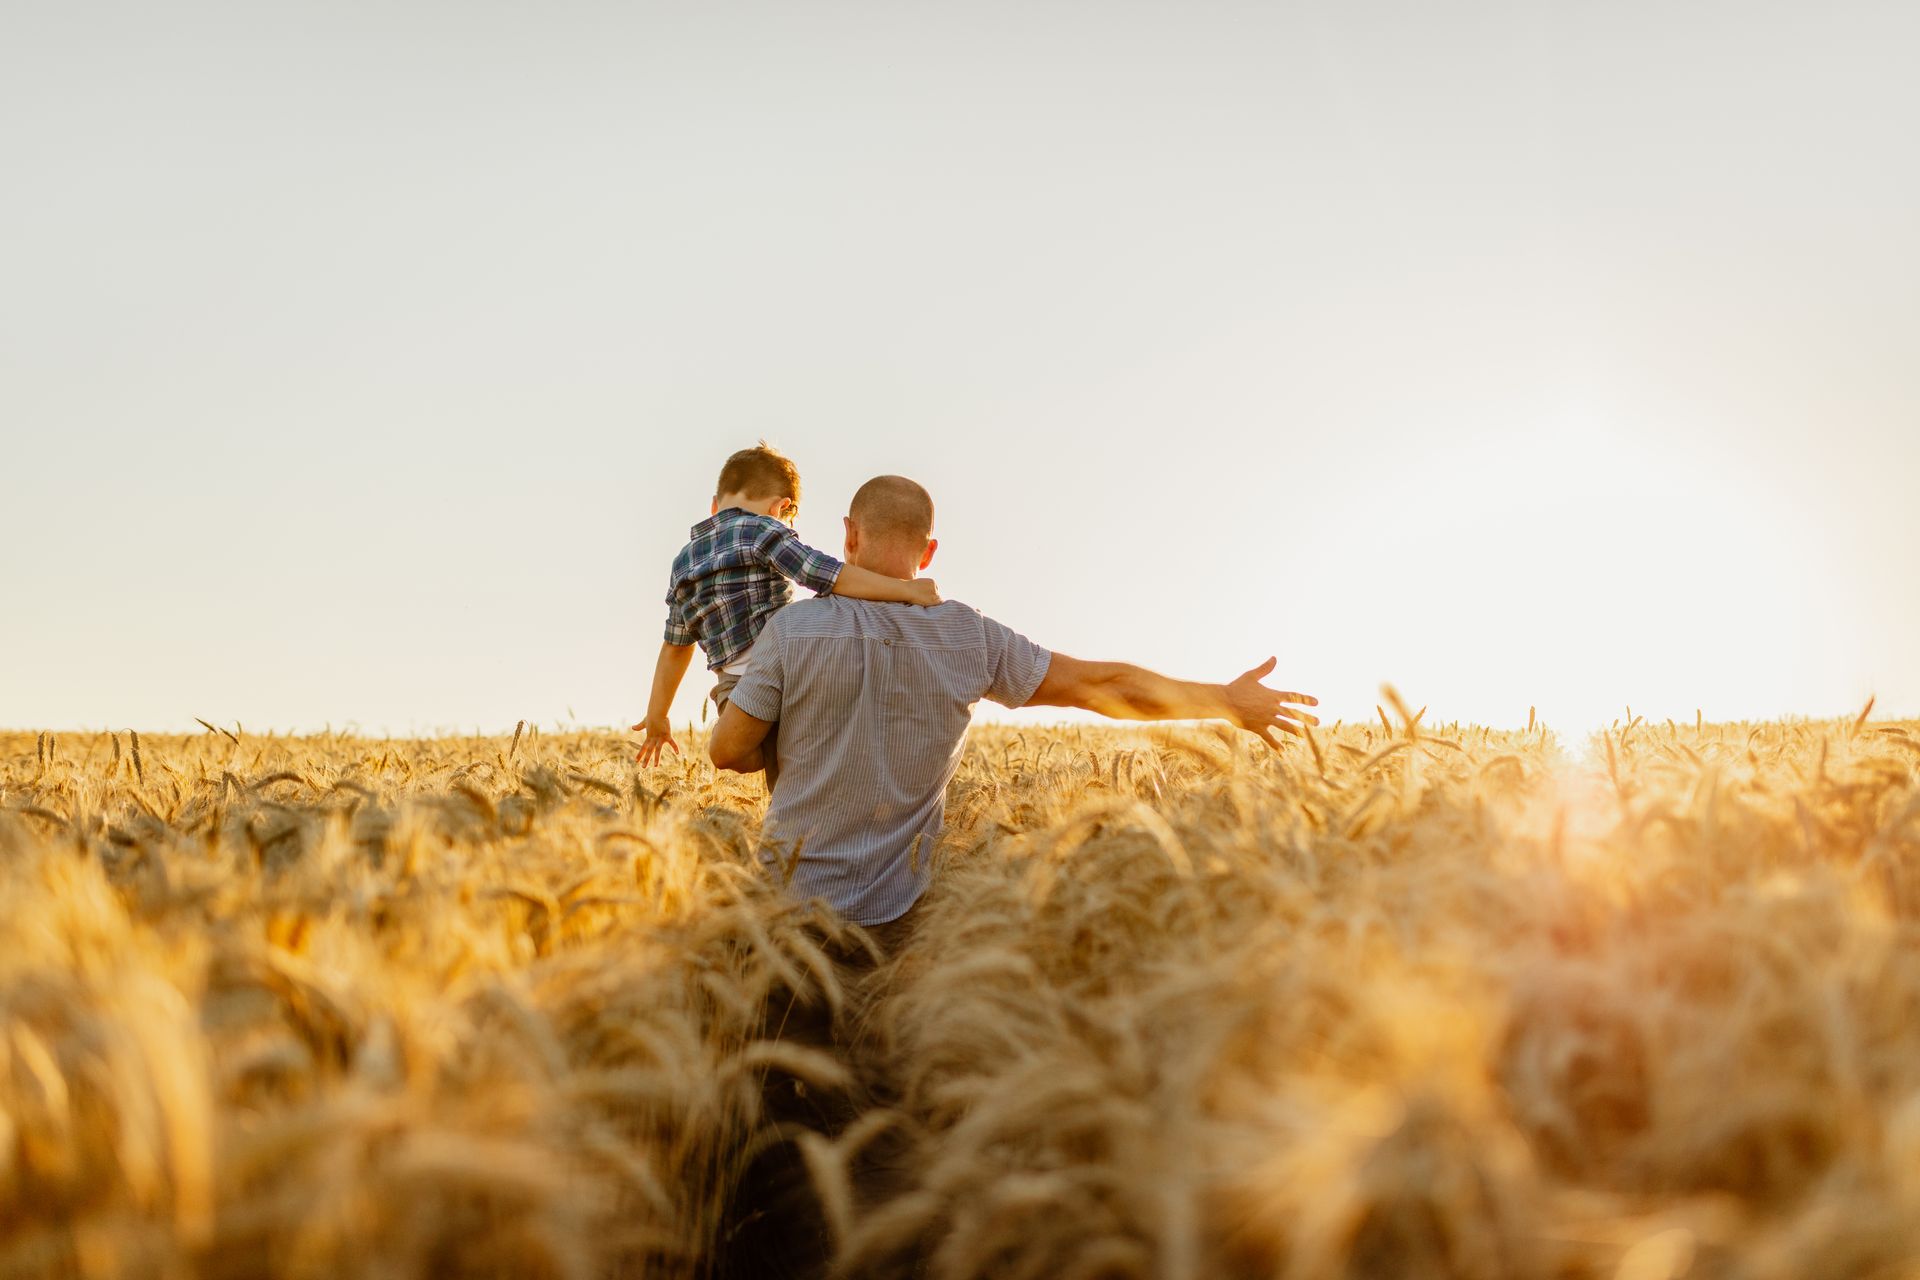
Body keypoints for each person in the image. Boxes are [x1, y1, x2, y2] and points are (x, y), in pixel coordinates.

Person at [707, 474, 1317, 954]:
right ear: (930, 548)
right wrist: (1225, 702)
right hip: (901, 926)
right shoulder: (969, 637)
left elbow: (729, 751)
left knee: (780, 1095)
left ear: (848, 535)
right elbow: (1101, 685)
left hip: (786, 917)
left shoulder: (792, 631)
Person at [633, 444, 942, 778]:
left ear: (714, 505)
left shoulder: (683, 561)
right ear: (781, 508)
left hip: (733, 688)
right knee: (798, 761)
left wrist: (658, 715)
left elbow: (676, 647)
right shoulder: (765, 530)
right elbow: (825, 574)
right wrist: (904, 589)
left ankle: (781, 785)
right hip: (789, 669)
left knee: (738, 757)